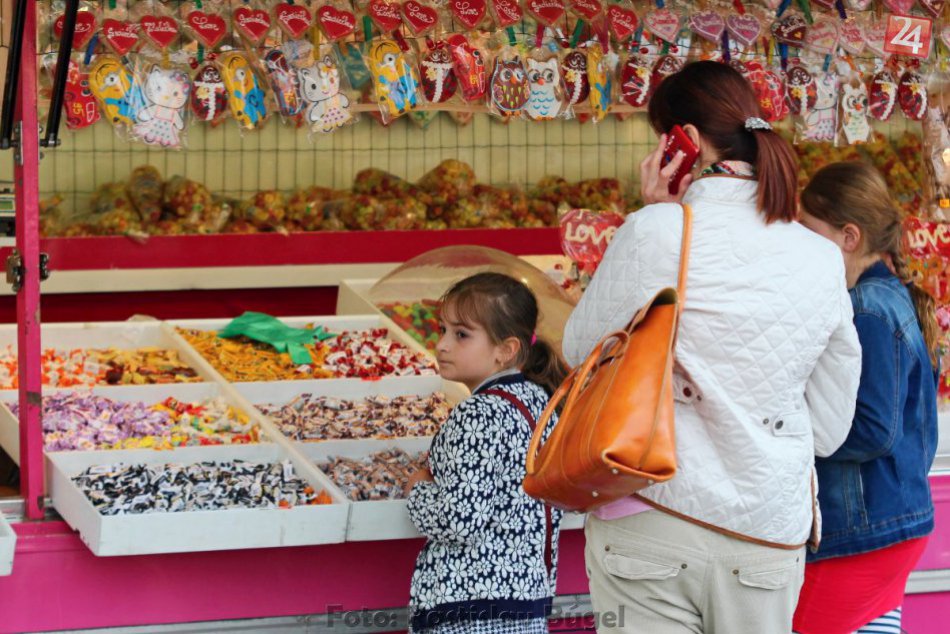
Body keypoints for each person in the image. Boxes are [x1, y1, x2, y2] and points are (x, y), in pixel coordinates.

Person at [561, 60, 862, 634]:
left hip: (652, 514)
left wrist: (654, 213)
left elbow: (581, 352)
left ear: (686, 142)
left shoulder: (657, 230)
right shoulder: (821, 256)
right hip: (766, 532)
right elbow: (829, 427)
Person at [792, 161, 940, 634]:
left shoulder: (867, 309)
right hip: (892, 519)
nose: (800, 246)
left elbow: (873, 427)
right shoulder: (890, 298)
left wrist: (792, 432)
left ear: (848, 237)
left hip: (863, 527)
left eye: (809, 232)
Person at [405, 272, 569, 634]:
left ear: (505, 350)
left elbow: (459, 521)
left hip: (470, 611)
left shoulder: (478, 413)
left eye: (461, 334)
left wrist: (417, 490)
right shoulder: (540, 399)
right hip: (526, 604)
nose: (443, 344)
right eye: (443, 329)